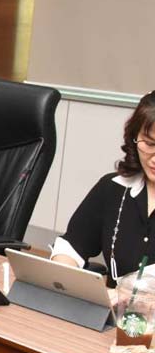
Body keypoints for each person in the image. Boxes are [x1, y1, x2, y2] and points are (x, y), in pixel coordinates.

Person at [51, 92, 155, 284]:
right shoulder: (113, 188)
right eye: (149, 144)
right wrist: (62, 275)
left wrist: (124, 295)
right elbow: (72, 246)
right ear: (134, 138)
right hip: (111, 303)